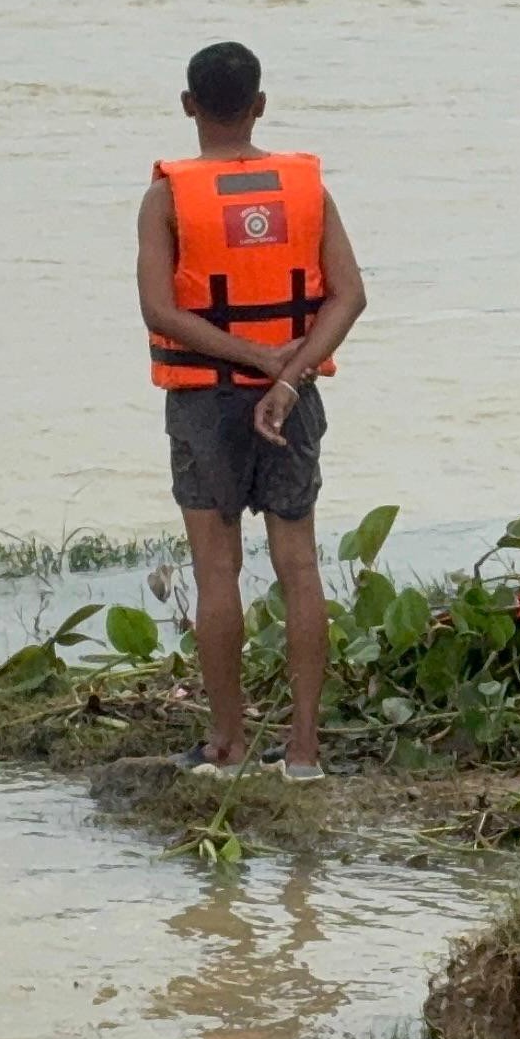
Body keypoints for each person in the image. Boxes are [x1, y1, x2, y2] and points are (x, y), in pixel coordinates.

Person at [136, 42, 368, 784]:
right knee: (299, 566)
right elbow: (349, 295)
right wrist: (287, 373)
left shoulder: (168, 196)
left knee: (216, 570)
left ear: (188, 105)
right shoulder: (307, 190)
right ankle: (303, 754)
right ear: (261, 104)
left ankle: (228, 747)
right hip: (291, 399)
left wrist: (257, 363)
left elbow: (159, 310)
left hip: (204, 398)